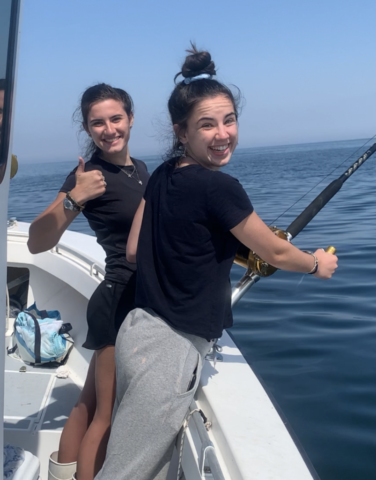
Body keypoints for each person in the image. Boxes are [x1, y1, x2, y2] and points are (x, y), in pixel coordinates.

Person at [94, 46, 338, 480]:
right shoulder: (219, 187)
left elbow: (135, 249)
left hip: (135, 331)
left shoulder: (165, 173)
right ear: (181, 131)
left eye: (229, 120)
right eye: (207, 124)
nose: (222, 133)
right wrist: (317, 265)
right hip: (168, 350)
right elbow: (276, 252)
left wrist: (221, 249)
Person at [27, 83, 149, 480]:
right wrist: (73, 198)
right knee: (106, 415)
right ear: (87, 127)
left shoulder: (141, 170)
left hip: (134, 298)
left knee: (88, 402)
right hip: (119, 301)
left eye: (116, 118)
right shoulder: (88, 175)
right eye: (98, 122)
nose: (109, 129)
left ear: (131, 118)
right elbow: (37, 240)